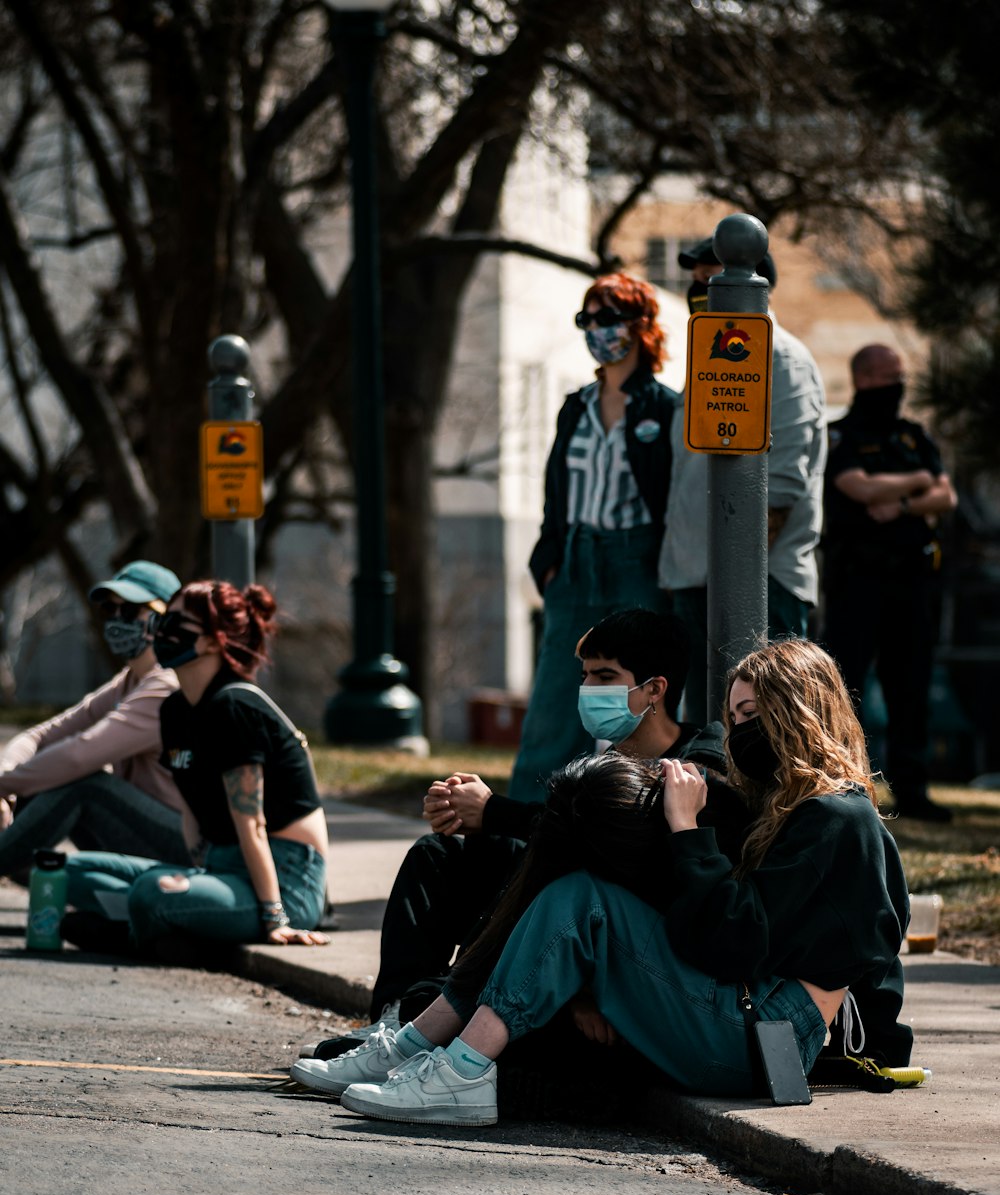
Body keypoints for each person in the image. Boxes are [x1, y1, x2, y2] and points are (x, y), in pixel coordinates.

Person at [318, 639, 911, 1127]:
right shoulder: (803, 809)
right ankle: (425, 1049)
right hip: (746, 1020)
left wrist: (686, 831)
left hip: (761, 1035)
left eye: (753, 717)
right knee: (572, 879)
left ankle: (456, 1067)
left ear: (800, 714)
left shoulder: (836, 818)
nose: (738, 733)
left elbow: (732, 944)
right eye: (734, 717)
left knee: (581, 901)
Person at [291, 607, 747, 1089]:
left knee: (553, 879)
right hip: (576, 921)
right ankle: (396, 1019)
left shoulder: (696, 765)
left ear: (655, 689)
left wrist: (492, 812)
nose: (590, 689)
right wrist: (467, 813)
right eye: (586, 675)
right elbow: (557, 840)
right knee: (441, 854)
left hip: (622, 948)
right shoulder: (605, 756)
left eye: (606, 676)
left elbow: (604, 859)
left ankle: (419, 1022)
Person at [59, 580, 329, 959]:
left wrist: (276, 917)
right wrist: (197, 872)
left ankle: (137, 935)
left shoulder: (235, 707)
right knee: (67, 872)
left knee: (151, 892)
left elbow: (252, 825)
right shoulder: (174, 710)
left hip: (286, 879)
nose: (162, 629)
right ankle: (165, 930)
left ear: (213, 641)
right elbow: (191, 807)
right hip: (222, 865)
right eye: (164, 617)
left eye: (177, 621)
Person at [508, 274, 679, 802]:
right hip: (575, 563)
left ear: (640, 326)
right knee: (555, 704)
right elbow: (555, 493)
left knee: (638, 703)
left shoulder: (664, 408)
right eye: (589, 319)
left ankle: (644, 818)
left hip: (636, 561)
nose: (598, 331)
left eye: (610, 318)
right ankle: (523, 838)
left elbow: (672, 495)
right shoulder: (574, 406)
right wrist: (549, 562)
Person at [659, 242, 826, 723]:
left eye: (713, 280)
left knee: (771, 726)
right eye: (697, 282)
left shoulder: (783, 358)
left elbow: (785, 482)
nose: (700, 291)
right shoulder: (710, 359)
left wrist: (739, 579)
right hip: (698, 577)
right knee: (710, 726)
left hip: (761, 581)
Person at [821, 344, 958, 822]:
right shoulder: (842, 435)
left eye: (899, 376)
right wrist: (916, 484)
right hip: (857, 579)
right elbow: (856, 488)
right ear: (863, 378)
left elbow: (945, 495)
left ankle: (913, 787)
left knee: (911, 686)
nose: (895, 385)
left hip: (913, 582)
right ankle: (844, 782)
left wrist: (901, 500)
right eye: (886, 376)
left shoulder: (913, 436)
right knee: (847, 685)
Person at [0, 560, 186, 879]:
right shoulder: (129, 681)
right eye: (109, 611)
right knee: (38, 779)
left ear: (164, 621)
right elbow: (40, 737)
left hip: (185, 846)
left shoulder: (167, 685)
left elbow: (79, 755)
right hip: (143, 831)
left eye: (129, 612)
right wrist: (5, 782)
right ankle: (47, 882)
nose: (115, 621)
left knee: (83, 784)